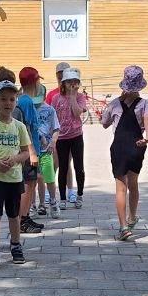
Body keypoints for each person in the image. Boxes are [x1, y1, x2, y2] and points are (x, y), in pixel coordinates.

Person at [0, 78, 35, 269]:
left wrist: (16, 160)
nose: (8, 103)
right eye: (3, 99)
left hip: (14, 178)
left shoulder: (19, 126)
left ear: (16, 101)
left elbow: (26, 152)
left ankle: (16, 246)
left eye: (11, 99)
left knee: (14, 215)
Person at [102, 65, 148, 241]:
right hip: (137, 146)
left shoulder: (115, 103)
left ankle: (123, 226)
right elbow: (147, 122)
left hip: (119, 147)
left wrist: (112, 106)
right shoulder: (145, 104)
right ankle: (132, 217)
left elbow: (104, 123)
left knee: (120, 188)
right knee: (133, 183)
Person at [0, 66, 43, 234]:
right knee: (28, 185)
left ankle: (24, 217)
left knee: (29, 184)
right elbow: (26, 129)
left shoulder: (15, 103)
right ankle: (22, 218)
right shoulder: (23, 103)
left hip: (22, 152)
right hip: (24, 152)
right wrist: (33, 152)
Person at [53, 67, 88, 210]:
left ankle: (79, 194)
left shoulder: (80, 97)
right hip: (62, 137)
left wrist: (73, 96)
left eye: (75, 82)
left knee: (79, 167)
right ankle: (62, 197)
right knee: (63, 167)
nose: (72, 85)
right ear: (63, 83)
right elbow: (53, 116)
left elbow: (77, 112)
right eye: (69, 82)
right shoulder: (56, 98)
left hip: (76, 136)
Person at [33, 96, 61, 217]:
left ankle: (53, 202)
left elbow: (56, 128)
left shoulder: (50, 110)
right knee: (33, 179)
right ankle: (34, 205)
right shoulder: (28, 108)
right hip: (32, 150)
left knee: (49, 177)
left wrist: (53, 142)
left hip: (46, 150)